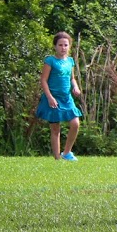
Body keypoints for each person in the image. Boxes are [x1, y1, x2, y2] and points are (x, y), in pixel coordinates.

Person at [35, 32, 84, 161]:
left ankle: (66, 153)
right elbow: (43, 80)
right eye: (60, 45)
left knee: (75, 123)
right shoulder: (50, 61)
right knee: (55, 128)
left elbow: (72, 78)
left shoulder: (70, 61)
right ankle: (57, 159)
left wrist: (75, 87)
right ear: (55, 46)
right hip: (53, 98)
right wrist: (50, 98)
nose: (63, 48)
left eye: (66, 45)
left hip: (67, 98)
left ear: (69, 46)